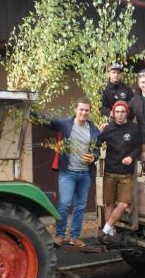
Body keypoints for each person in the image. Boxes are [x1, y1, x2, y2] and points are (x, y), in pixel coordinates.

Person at [43, 100, 101, 247]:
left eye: (86, 110)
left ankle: (75, 237)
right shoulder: (65, 124)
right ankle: (60, 235)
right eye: (81, 109)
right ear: (75, 110)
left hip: (84, 174)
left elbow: (97, 149)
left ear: (89, 112)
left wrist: (94, 156)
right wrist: (29, 108)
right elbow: (45, 121)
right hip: (67, 173)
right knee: (64, 204)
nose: (84, 113)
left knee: (80, 206)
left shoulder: (93, 130)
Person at [95, 101, 141, 245]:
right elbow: (96, 142)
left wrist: (131, 157)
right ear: (113, 113)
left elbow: (138, 147)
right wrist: (98, 131)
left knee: (123, 204)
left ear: (127, 113)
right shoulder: (108, 128)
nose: (120, 114)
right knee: (109, 203)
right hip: (109, 172)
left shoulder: (134, 128)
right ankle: (110, 233)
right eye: (117, 112)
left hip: (126, 174)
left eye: (122, 111)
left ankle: (105, 229)